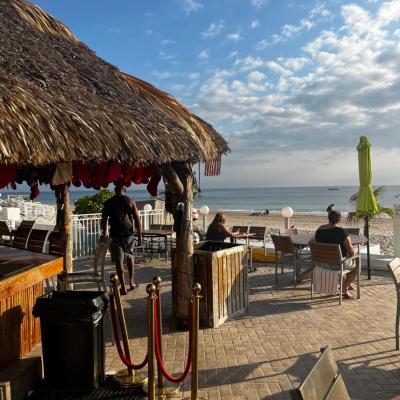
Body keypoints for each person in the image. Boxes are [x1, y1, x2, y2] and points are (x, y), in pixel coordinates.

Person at [101, 181, 142, 295]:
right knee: (130, 257)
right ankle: (131, 282)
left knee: (119, 260)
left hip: (115, 235)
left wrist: (103, 233)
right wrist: (139, 235)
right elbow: (137, 220)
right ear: (125, 189)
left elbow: (103, 220)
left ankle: (123, 287)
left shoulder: (109, 202)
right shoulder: (130, 201)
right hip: (128, 234)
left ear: (115, 190)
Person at [312, 209, 357, 299]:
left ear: (328, 218)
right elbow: (351, 251)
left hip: (320, 263)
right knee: (356, 265)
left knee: (344, 260)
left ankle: (343, 285)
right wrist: (355, 253)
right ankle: (345, 288)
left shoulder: (320, 230)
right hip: (337, 265)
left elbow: (313, 242)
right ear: (339, 219)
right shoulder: (341, 232)